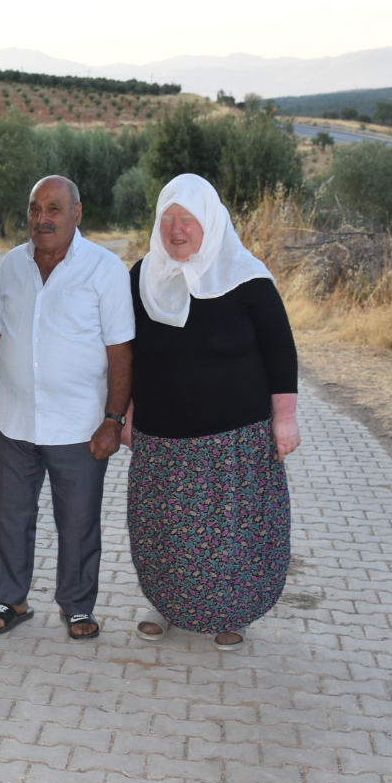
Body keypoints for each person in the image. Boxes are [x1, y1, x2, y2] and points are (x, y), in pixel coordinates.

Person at [124, 173, 300, 651]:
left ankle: (233, 614)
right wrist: (126, 412)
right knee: (164, 533)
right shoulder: (142, 277)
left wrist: (285, 419)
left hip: (234, 441)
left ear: (211, 221)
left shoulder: (247, 278)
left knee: (231, 535)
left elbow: (281, 352)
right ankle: (164, 606)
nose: (176, 229)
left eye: (188, 219)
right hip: (161, 439)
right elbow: (126, 352)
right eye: (168, 219)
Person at [0, 176, 133, 640]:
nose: (42, 219)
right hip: (14, 418)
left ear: (77, 213)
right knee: (10, 515)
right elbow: (0, 337)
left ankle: (77, 607)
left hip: (80, 425)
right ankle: (11, 600)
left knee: (78, 520)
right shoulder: (13, 265)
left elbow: (121, 350)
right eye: (34, 209)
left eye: (54, 209)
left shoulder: (105, 269)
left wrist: (113, 419)